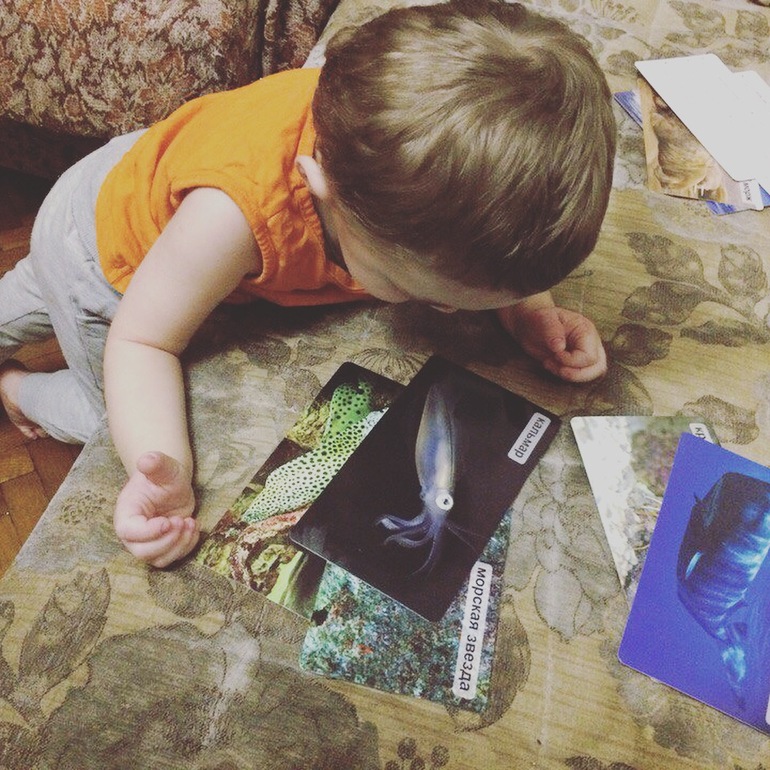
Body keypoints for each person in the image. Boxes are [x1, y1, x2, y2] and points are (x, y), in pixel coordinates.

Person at [0, 0, 616, 567]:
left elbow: (482, 249)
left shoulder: (373, 121)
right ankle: (20, 391)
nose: (450, 314)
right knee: (110, 415)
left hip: (136, 170)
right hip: (101, 264)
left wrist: (528, 311)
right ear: (323, 190)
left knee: (22, 296)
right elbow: (141, 343)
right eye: (424, 294)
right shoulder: (234, 217)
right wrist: (167, 471)